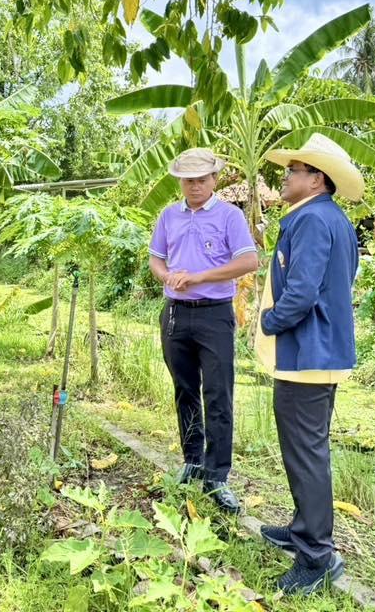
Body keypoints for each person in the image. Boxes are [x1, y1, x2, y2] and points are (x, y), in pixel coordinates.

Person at [254, 133, 363, 595]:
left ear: (315, 180)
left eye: (292, 171)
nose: (285, 177)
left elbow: (302, 291)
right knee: (306, 450)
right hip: (315, 354)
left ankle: (317, 556)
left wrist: (271, 320)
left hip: (309, 355)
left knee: (306, 452)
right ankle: (304, 530)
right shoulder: (326, 217)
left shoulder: (315, 220)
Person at [148, 148, 259, 514]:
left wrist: (198, 277)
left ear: (214, 180)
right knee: (184, 391)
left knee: (218, 394)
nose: (194, 186)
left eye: (201, 179)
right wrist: (167, 277)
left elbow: (248, 261)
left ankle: (217, 476)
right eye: (187, 180)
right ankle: (192, 460)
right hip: (176, 313)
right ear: (180, 181)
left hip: (214, 315)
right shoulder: (169, 215)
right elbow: (156, 258)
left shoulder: (229, 216)